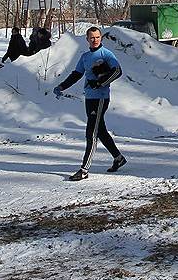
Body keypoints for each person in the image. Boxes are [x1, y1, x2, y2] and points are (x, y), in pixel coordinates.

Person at [53, 27, 126, 181]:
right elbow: (76, 75)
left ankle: (84, 170)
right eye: (92, 37)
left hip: (100, 98)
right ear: (87, 39)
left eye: (98, 37)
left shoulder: (106, 54)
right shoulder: (85, 57)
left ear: (101, 38)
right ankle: (118, 158)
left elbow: (118, 71)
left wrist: (100, 82)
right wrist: (61, 86)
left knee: (91, 133)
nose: (95, 40)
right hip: (89, 98)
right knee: (100, 131)